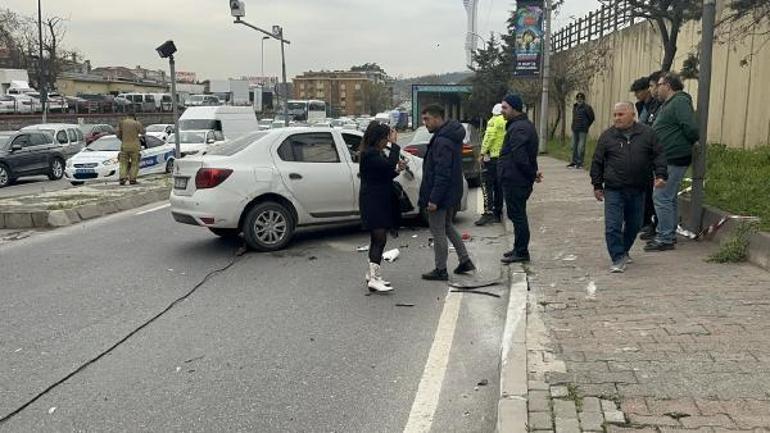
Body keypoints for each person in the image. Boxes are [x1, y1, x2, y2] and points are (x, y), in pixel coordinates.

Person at [590, 102, 667, 273]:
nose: (617, 118)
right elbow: (597, 162)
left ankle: (623, 250)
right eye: (615, 115)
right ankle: (617, 257)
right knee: (613, 225)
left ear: (633, 115)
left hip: (639, 188)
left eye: (621, 114)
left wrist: (661, 175)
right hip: (614, 188)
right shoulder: (607, 137)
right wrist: (597, 184)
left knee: (635, 224)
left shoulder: (648, 134)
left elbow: (659, 155)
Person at [418, 104, 475, 281]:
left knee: (438, 231)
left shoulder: (442, 140)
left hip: (441, 195)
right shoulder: (449, 135)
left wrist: (434, 199)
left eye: (427, 119)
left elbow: (442, 173)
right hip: (451, 192)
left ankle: (440, 269)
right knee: (448, 226)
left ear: (437, 118)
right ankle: (464, 260)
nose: (425, 123)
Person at [645, 72, 699, 252]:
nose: (656, 89)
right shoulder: (668, 104)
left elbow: (690, 127)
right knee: (669, 197)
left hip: (673, 157)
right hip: (666, 157)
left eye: (659, 85)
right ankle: (668, 232)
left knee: (661, 196)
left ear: (667, 85)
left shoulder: (680, 101)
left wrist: (688, 142)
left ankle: (665, 237)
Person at [359, 122, 407, 293]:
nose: (386, 142)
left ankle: (372, 274)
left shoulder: (374, 153)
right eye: (385, 139)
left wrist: (397, 170)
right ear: (378, 138)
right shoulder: (369, 154)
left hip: (378, 198)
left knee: (377, 238)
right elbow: (386, 166)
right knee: (379, 238)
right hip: (373, 201)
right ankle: (374, 278)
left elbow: (385, 173)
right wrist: (395, 145)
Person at [498, 94, 541, 264]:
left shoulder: (519, 128)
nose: (502, 111)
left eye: (505, 107)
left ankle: (522, 251)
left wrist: (531, 173)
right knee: (516, 215)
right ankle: (518, 248)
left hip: (516, 180)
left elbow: (521, 156)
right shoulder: (519, 126)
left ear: (514, 109)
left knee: (518, 216)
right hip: (515, 178)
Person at [631, 71, 664, 240]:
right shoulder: (644, 105)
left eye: (652, 86)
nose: (637, 95)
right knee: (645, 191)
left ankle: (654, 225)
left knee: (656, 194)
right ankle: (645, 222)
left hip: (654, 153)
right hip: (645, 152)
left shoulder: (658, 105)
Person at [475, 103, 505, 226]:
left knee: (487, 186)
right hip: (502, 157)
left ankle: (488, 212)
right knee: (499, 187)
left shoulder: (494, 121)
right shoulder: (505, 121)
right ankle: (497, 213)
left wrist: (482, 153)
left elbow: (489, 137)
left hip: (492, 158)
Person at [567, 92, 595, 169]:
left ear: (583, 99)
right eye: (578, 98)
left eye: (581, 98)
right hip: (575, 129)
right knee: (573, 146)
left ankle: (580, 162)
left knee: (581, 147)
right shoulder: (575, 107)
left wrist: (586, 125)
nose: (579, 99)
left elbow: (592, 118)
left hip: (583, 130)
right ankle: (573, 162)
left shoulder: (587, 107)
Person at [116, 113, 144, 185]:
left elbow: (118, 134)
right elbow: (143, 132)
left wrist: (123, 139)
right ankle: (132, 179)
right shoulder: (137, 123)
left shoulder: (122, 123)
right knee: (135, 163)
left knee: (123, 163)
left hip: (124, 146)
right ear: (134, 117)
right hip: (135, 146)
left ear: (127, 116)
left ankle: (122, 178)